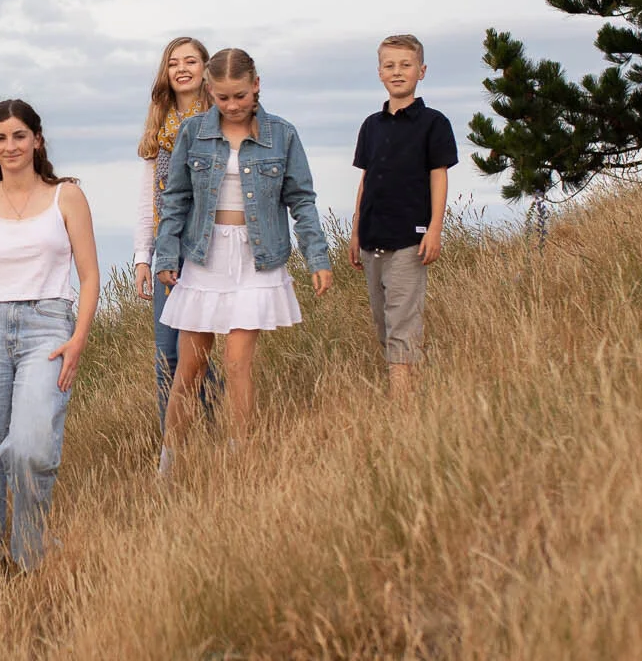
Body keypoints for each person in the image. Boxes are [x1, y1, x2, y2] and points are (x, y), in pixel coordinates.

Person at [0, 99, 99, 599]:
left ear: (37, 139)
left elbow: (90, 274)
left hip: (48, 324)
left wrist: (78, 338)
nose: (9, 146)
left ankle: (33, 559)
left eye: (18, 136)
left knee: (31, 448)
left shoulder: (67, 196)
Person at [155, 47, 334, 455]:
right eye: (222, 97)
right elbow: (176, 199)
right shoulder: (193, 133)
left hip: (257, 259)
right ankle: (170, 462)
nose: (232, 105)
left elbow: (301, 199)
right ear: (209, 91)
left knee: (237, 363)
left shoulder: (283, 135)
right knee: (190, 368)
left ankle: (241, 456)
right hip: (204, 256)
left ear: (256, 86)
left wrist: (317, 257)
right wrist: (166, 256)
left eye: (240, 95)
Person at [348, 34, 458, 401]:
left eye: (406, 65)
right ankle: (411, 393)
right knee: (383, 324)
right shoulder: (371, 125)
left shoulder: (433, 123)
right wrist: (354, 232)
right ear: (379, 72)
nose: (398, 72)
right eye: (390, 65)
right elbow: (366, 178)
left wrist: (435, 230)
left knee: (402, 322)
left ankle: (402, 411)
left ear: (421, 71)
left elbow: (438, 175)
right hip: (372, 237)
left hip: (411, 239)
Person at [133, 36, 219, 433]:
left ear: (205, 68)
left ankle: (220, 434)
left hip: (211, 247)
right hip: (169, 252)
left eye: (190, 60)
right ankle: (174, 447)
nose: (182, 68)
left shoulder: (221, 117)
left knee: (200, 354)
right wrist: (142, 258)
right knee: (167, 354)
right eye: (173, 63)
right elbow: (148, 201)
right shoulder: (159, 128)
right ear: (166, 74)